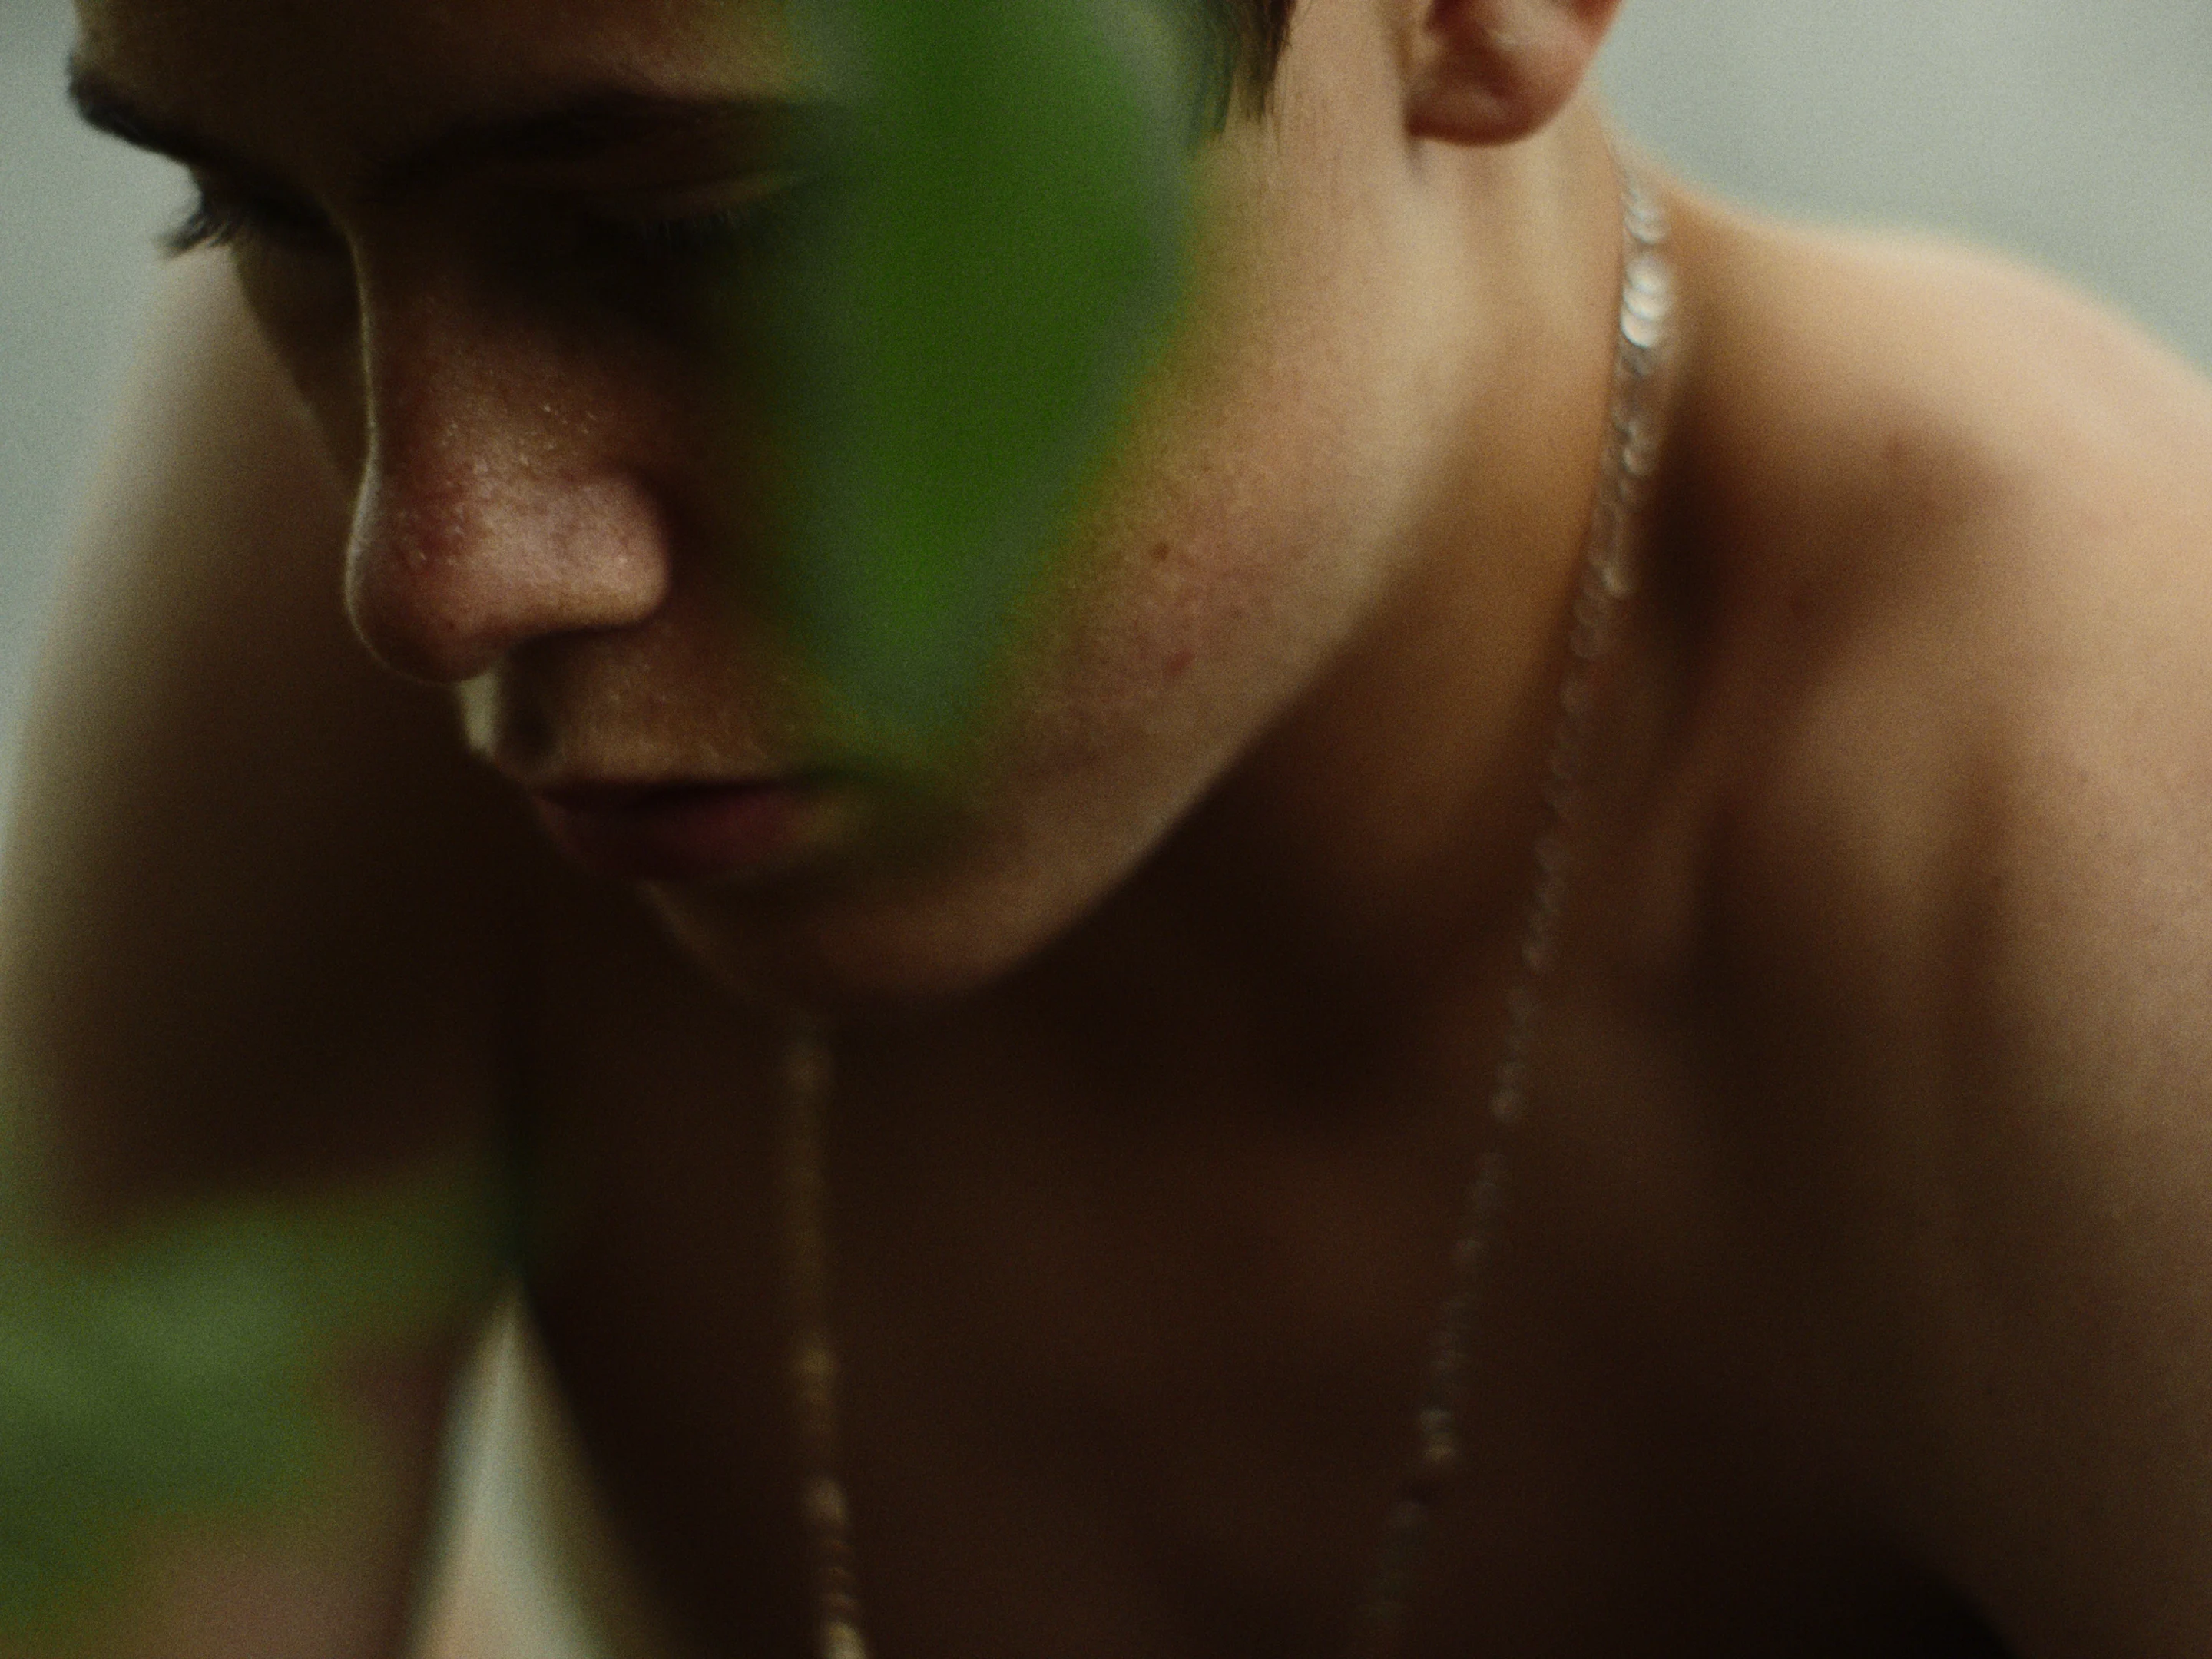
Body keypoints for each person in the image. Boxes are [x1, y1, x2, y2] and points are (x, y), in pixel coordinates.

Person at [7, 0, 2212, 1653]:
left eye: (718, 232)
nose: (439, 574)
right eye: (256, 218)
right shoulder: (432, 369)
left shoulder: (2067, 827)